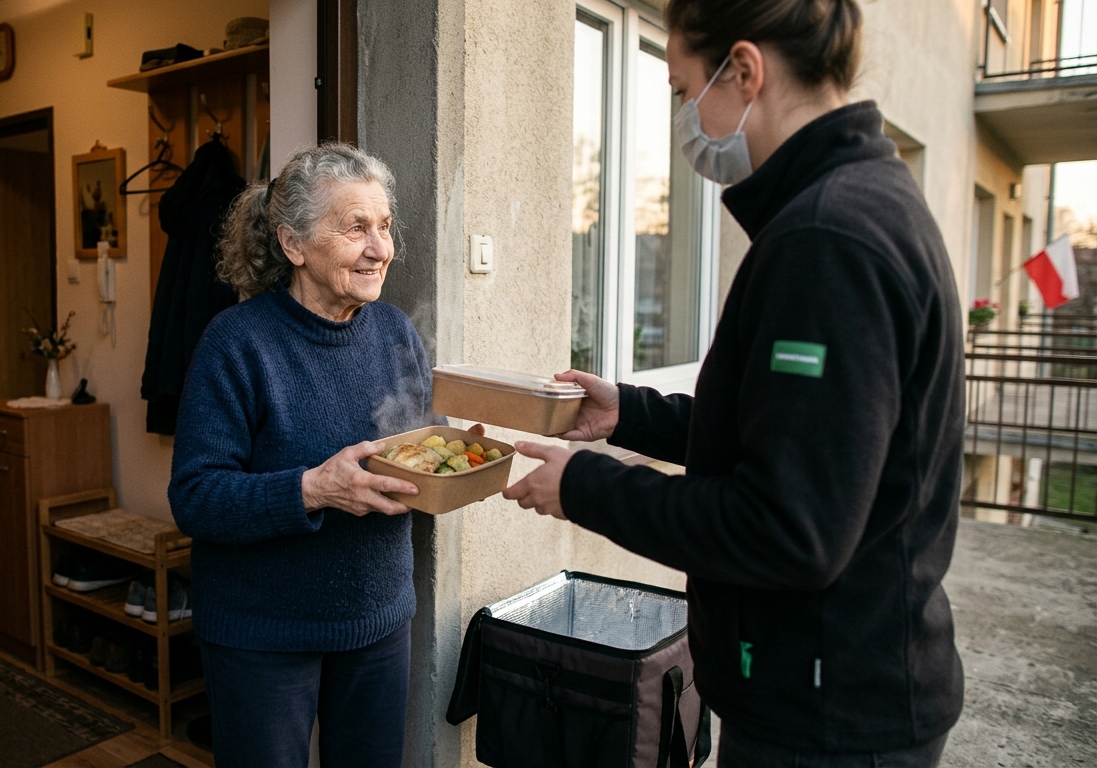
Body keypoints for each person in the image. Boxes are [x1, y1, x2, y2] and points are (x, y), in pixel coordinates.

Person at [504, 1, 965, 765]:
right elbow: (793, 432)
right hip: (833, 687)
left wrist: (583, 486)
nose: (685, 117)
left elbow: (787, 528)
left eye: (684, 89)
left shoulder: (827, 239)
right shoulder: (856, 202)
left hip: (829, 719)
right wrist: (630, 414)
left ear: (746, 71)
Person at [169, 144, 461, 768]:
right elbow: (195, 497)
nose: (380, 248)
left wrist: (455, 457)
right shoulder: (236, 344)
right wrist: (312, 489)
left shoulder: (395, 332)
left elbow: (417, 442)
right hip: (262, 636)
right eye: (356, 228)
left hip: (378, 623)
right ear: (293, 243)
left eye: (384, 226)